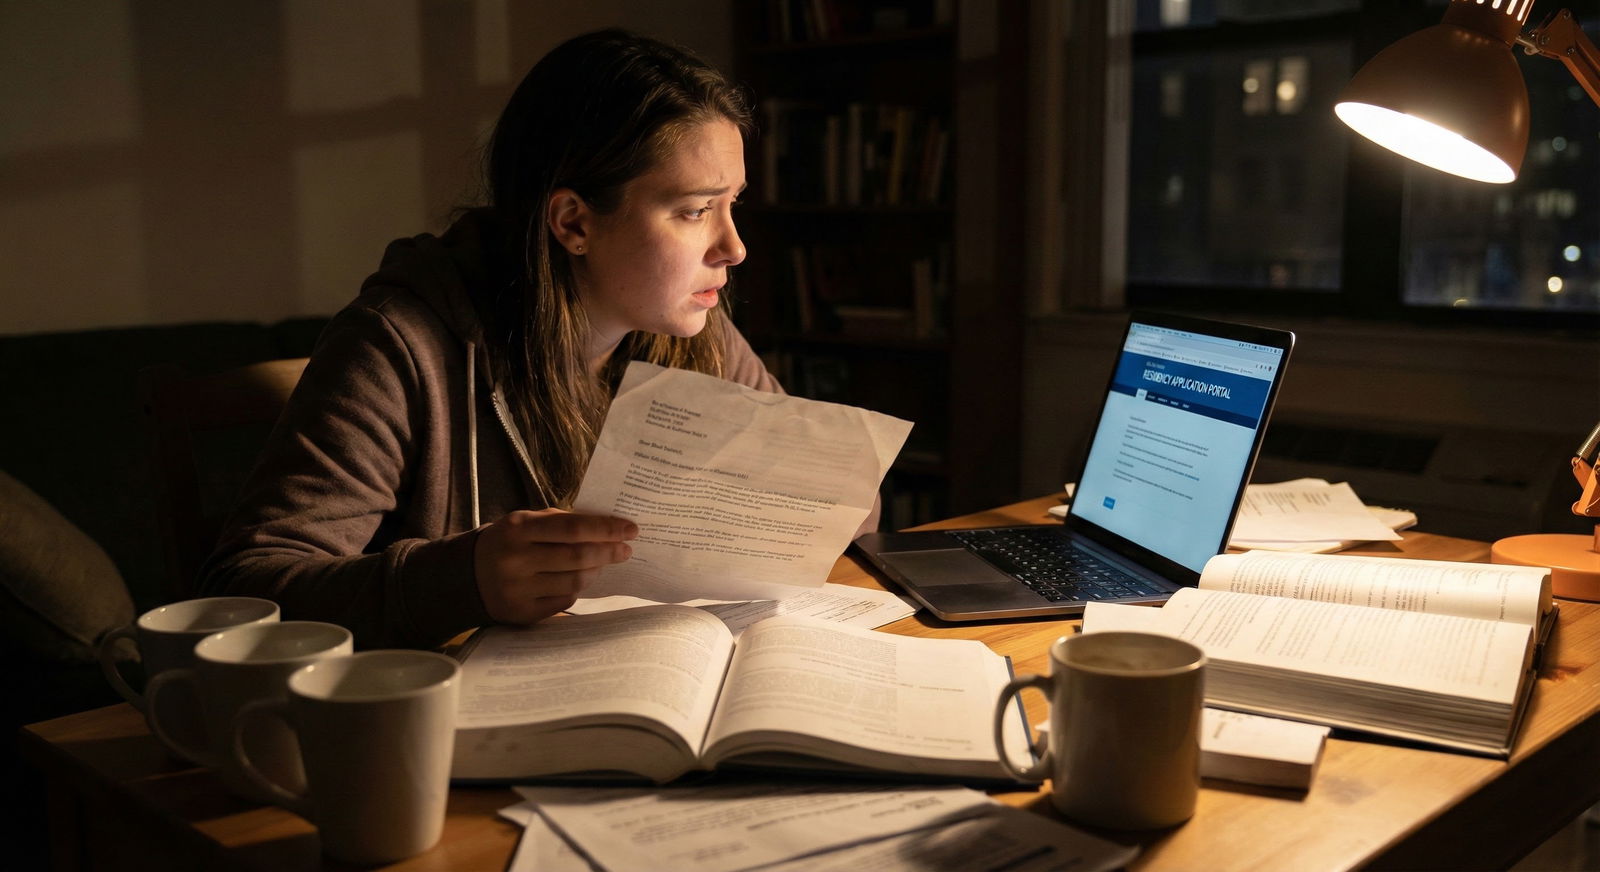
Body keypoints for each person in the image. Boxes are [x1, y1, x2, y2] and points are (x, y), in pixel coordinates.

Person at [200, 29, 874, 649]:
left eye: (732, 204)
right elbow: (245, 590)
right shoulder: (399, 346)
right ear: (573, 223)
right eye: (696, 210)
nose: (734, 247)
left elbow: (848, 509)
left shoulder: (694, 331)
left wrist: (819, 501)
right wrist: (463, 578)